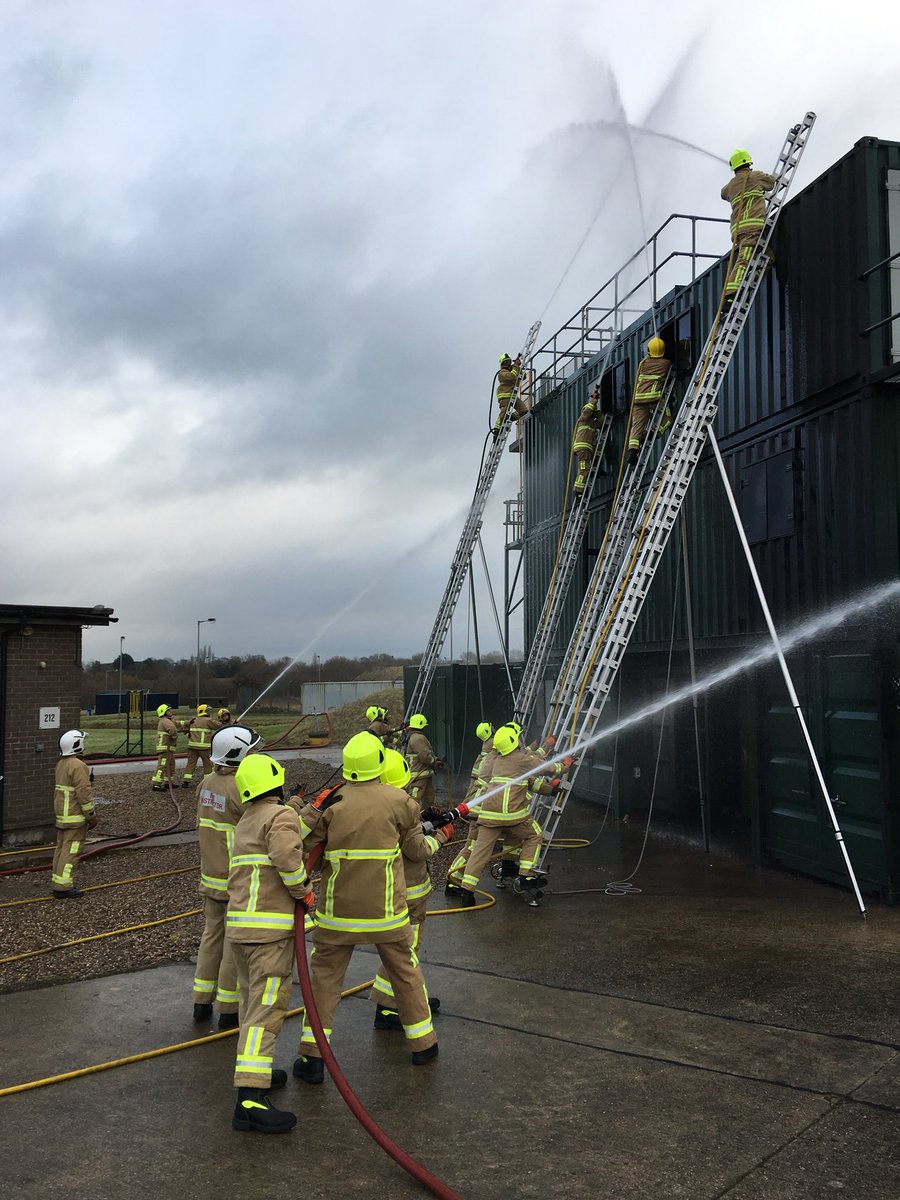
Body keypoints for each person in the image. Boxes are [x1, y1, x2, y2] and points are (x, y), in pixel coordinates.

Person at [293, 731, 439, 1085]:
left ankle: (313, 1057)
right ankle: (423, 1044)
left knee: (325, 980)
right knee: (405, 972)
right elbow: (415, 845)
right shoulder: (399, 800)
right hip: (386, 912)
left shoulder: (333, 801)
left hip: (337, 915)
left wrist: (313, 807)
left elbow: (302, 840)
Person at [226, 753, 315, 1134]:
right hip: (269, 935)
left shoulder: (249, 818)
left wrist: (302, 808)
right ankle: (250, 1099)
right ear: (275, 783)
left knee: (251, 1006)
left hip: (242, 932)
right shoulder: (280, 818)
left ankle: (257, 1072)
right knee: (266, 1011)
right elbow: (285, 855)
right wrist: (305, 892)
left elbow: (277, 834)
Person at [369, 748, 454, 1031]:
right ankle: (399, 1006)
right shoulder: (402, 805)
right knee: (406, 950)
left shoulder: (372, 806)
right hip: (410, 892)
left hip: (388, 890)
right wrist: (441, 836)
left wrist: (425, 819)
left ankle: (393, 1001)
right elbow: (416, 850)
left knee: (399, 950)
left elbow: (404, 833)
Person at [455, 724, 573, 907]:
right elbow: (549, 768)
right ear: (513, 741)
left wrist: (549, 791)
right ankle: (526, 876)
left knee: (479, 852)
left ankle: (467, 892)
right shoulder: (521, 759)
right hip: (512, 815)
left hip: (489, 816)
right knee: (534, 835)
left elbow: (529, 781)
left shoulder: (497, 760)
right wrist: (566, 765)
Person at [192, 724, 261, 1030]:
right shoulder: (239, 788)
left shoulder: (206, 782)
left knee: (211, 936)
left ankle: (201, 1001)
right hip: (236, 879)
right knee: (235, 944)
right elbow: (261, 822)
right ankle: (229, 1009)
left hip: (211, 875)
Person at [721, 149, 777, 307]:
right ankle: (730, 295)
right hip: (752, 227)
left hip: (738, 230)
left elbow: (723, 193)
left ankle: (751, 279)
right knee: (744, 259)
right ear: (748, 163)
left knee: (768, 258)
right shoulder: (755, 177)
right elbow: (771, 182)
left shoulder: (730, 186)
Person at [445, 721, 495, 897]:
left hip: (476, 807)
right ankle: (453, 880)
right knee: (472, 847)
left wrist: (466, 805)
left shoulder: (483, 755)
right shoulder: (494, 753)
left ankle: (454, 878)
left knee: (471, 846)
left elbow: (473, 785)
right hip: (480, 810)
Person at [52, 729, 96, 898]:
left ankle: (57, 881)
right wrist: (91, 815)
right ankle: (63, 887)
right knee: (71, 851)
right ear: (77, 744)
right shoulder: (78, 765)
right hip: (75, 818)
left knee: (61, 850)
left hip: (63, 817)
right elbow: (83, 793)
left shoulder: (61, 764)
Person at [625, 338, 673, 468]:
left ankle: (632, 451)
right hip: (655, 399)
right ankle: (654, 433)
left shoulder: (643, 363)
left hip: (638, 400)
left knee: (636, 427)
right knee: (668, 419)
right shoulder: (666, 363)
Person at [405, 713, 441, 812]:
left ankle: (425, 818)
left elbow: (427, 752)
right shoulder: (418, 738)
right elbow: (425, 756)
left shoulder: (415, 737)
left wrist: (436, 759)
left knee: (428, 800)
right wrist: (434, 761)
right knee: (415, 800)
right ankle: (411, 821)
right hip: (418, 776)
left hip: (424, 775)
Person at [573, 391, 604, 494]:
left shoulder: (592, 423)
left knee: (586, 466)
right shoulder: (583, 419)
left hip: (586, 449)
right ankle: (579, 490)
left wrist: (597, 412)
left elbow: (602, 422)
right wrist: (594, 400)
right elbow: (587, 411)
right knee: (584, 469)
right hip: (583, 449)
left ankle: (598, 470)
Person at [182, 703, 217, 788]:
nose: (209, 713)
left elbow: (184, 729)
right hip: (204, 748)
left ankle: (186, 782)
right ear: (204, 711)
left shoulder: (193, 720)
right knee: (207, 765)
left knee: (190, 764)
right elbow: (218, 726)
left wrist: (188, 735)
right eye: (208, 711)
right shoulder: (208, 721)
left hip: (192, 747)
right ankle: (207, 782)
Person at [493, 352, 527, 432]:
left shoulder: (513, 370)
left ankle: (510, 418)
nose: (507, 363)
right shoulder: (502, 373)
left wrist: (517, 366)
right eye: (506, 362)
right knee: (503, 414)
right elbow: (511, 377)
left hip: (513, 396)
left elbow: (523, 376)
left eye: (508, 361)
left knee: (523, 411)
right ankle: (497, 430)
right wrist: (515, 366)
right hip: (505, 396)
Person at [151, 702, 180, 791]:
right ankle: (156, 784)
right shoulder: (165, 721)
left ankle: (168, 782)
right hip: (165, 748)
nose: (170, 711)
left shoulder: (168, 720)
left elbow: (177, 723)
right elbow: (173, 729)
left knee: (171, 765)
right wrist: (175, 736)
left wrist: (188, 723)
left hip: (168, 749)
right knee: (162, 765)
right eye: (168, 710)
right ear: (164, 712)